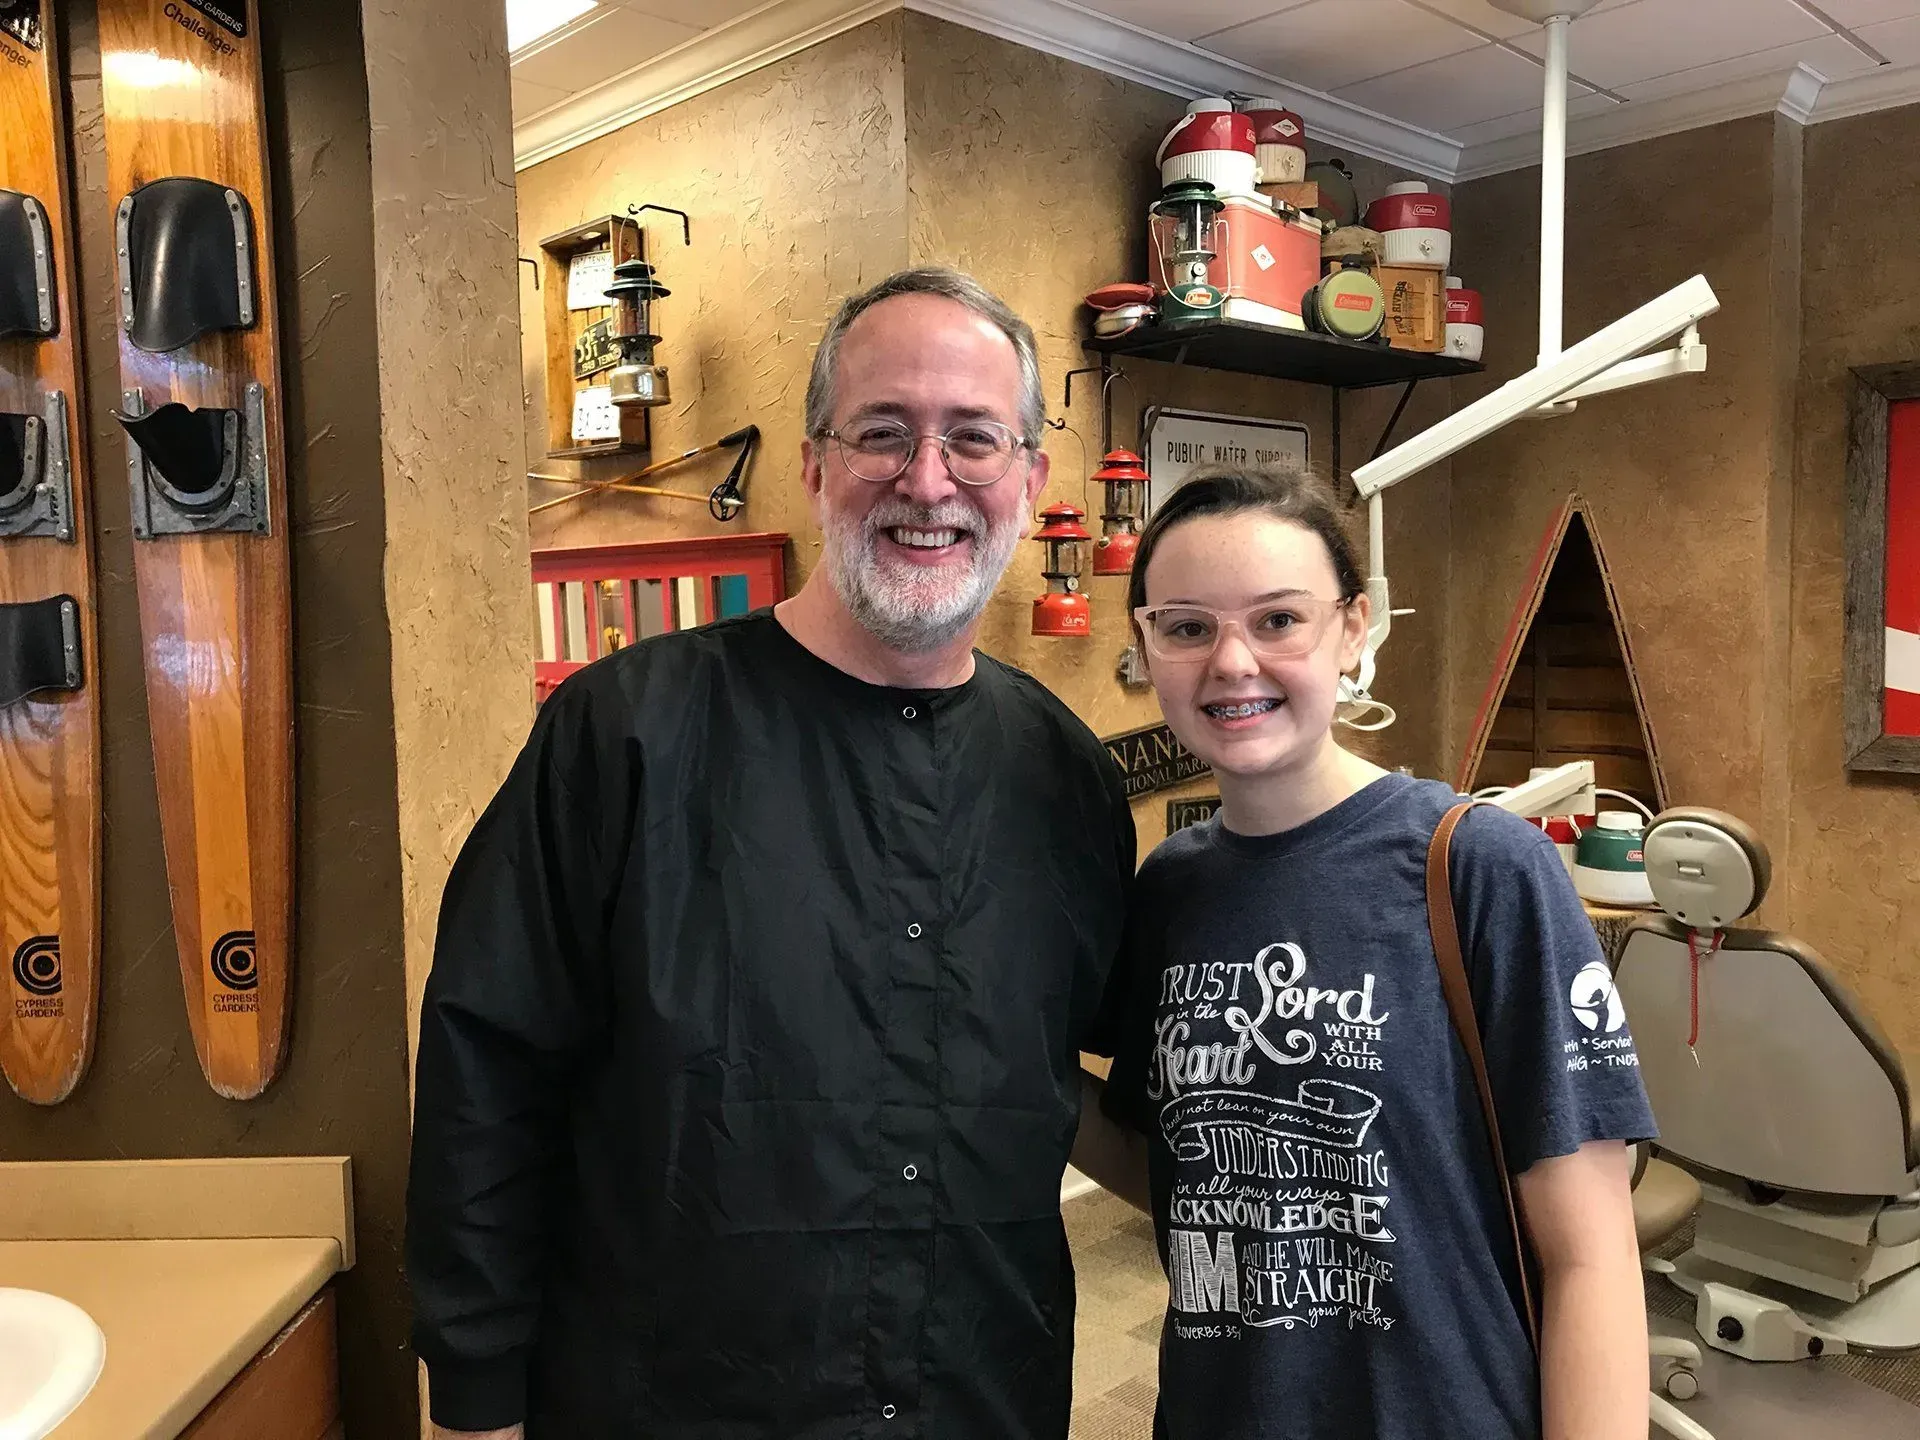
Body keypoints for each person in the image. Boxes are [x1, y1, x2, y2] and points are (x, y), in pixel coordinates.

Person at [407, 267, 1136, 1439]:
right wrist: (476, 1396)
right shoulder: (624, 733)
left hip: (981, 1397)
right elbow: (488, 1075)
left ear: (1031, 479)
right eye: (883, 433)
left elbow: (1133, 1067)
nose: (929, 480)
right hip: (672, 1407)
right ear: (812, 466)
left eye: (974, 440)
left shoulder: (1068, 780)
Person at [1073, 465, 1655, 1440]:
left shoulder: (1479, 867)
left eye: (1278, 620)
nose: (1231, 662)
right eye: (1186, 626)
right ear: (1146, 648)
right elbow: (1177, 1172)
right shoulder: (1171, 889)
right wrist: (996, 1057)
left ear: (1354, 627)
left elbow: (1592, 1253)